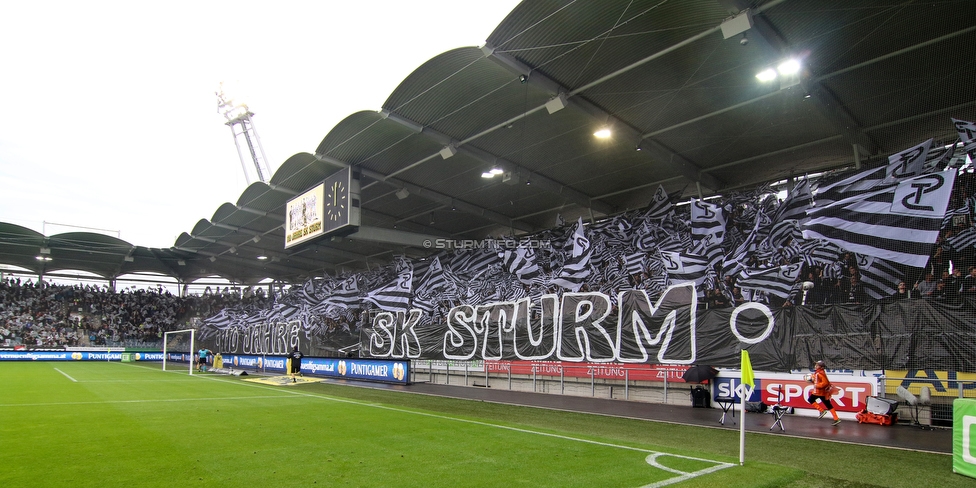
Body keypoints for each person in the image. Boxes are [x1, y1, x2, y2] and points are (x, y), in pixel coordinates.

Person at [807, 360, 840, 425]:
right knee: (828, 405)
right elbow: (818, 381)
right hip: (822, 392)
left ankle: (822, 411)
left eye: (817, 365)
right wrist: (812, 381)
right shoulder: (818, 373)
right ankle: (836, 419)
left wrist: (817, 385)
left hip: (819, 392)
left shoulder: (820, 373)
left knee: (810, 399)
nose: (815, 366)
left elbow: (825, 383)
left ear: (820, 367)